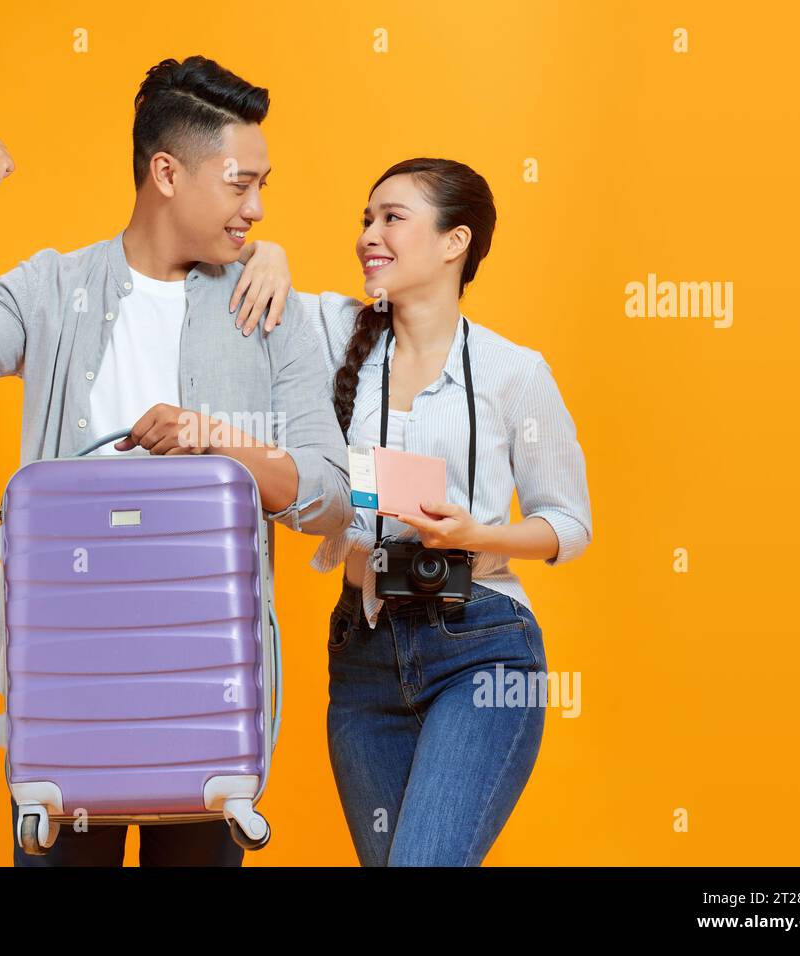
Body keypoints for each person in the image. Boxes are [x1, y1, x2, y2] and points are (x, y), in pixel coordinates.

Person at [0, 55, 352, 866]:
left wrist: (213, 438)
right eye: (240, 185)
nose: (258, 209)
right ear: (166, 172)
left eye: (263, 186)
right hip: (68, 688)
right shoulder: (55, 290)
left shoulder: (271, 311)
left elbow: (332, 500)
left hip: (208, 689)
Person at [240, 157, 593, 865]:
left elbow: (570, 525)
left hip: (480, 648)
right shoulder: (335, 327)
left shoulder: (512, 371)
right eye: (366, 219)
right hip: (363, 653)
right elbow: (241, 277)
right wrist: (269, 250)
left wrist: (476, 533)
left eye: (392, 218)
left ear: (454, 242)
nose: (370, 234)